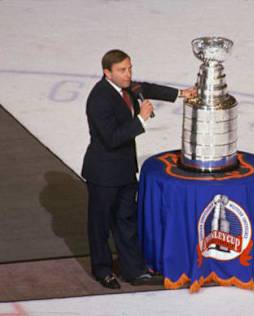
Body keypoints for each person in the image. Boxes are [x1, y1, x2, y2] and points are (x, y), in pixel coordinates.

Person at [81, 49, 196, 289]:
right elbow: (112, 138)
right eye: (122, 70)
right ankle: (103, 271)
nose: (128, 74)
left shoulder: (127, 88)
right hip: (103, 174)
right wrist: (141, 120)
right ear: (107, 73)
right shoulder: (99, 99)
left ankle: (133, 271)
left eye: (130, 68)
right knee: (100, 225)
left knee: (126, 220)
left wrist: (181, 94)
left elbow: (148, 88)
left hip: (124, 171)